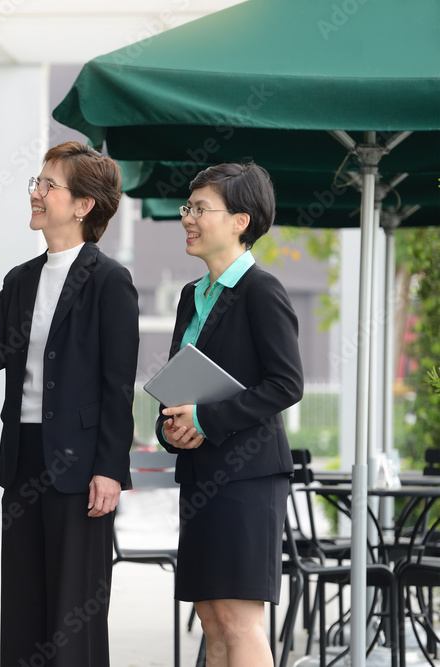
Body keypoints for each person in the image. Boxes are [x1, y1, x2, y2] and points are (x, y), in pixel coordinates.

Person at [0, 141, 139, 666]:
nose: (37, 194)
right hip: (24, 458)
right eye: (37, 183)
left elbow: (118, 385)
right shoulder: (21, 279)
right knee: (24, 605)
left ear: (83, 205)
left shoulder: (110, 282)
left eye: (49, 185)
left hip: (80, 467)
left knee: (75, 610)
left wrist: (111, 470)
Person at [155, 162, 304, 667]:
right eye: (187, 207)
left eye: (201, 208)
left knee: (240, 621)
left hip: (249, 477)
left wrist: (206, 420)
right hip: (200, 475)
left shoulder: (263, 291)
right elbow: (179, 383)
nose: (188, 218)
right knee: (213, 620)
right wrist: (172, 425)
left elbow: (287, 384)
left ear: (241, 220)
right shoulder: (189, 297)